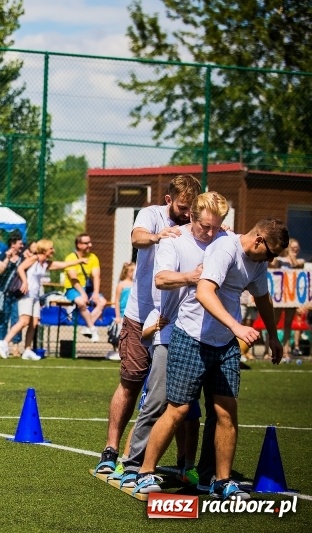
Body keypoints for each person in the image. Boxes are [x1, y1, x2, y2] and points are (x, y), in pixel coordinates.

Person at [135, 217, 289, 500]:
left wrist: (274, 336)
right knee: (178, 410)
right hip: (191, 337)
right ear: (258, 240)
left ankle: (222, 480)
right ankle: (145, 473)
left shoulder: (258, 262)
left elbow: (263, 298)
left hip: (224, 343)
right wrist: (236, 327)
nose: (271, 259)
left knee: (226, 411)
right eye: (271, 253)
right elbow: (205, 292)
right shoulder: (225, 249)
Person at [115, 192, 230, 491]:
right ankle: (133, 465)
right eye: (205, 226)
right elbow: (161, 279)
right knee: (157, 402)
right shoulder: (174, 240)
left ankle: (198, 473)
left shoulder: (223, 240)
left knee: (201, 413)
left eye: (216, 227)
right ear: (192, 217)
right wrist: (192, 276)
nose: (210, 232)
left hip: (208, 338)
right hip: (169, 333)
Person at [94, 174, 201, 475]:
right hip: (140, 316)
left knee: (179, 394)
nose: (186, 212)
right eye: (182, 206)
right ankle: (111, 450)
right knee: (130, 383)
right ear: (169, 200)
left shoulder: (195, 224)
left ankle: (184, 464)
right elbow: (137, 237)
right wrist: (159, 236)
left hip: (175, 322)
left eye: (191, 207)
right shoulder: (152, 214)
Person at [0, 239, 86, 360]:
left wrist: (79, 261)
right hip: (26, 295)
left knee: (34, 323)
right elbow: (20, 268)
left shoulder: (46, 263)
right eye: (51, 248)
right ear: (44, 249)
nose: (53, 250)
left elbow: (63, 265)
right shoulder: (35, 259)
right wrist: (24, 282)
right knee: (24, 321)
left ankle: (27, 350)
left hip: (35, 296)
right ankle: (4, 342)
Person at [63, 233, 107, 343]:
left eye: (90, 242)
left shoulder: (93, 257)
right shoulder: (70, 258)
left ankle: (87, 327)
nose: (90, 245)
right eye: (87, 243)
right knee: (81, 302)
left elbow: (96, 276)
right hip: (73, 288)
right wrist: (83, 293)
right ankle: (93, 329)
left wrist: (96, 293)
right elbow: (73, 279)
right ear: (79, 245)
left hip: (89, 288)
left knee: (102, 302)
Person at [270, 238, 305, 361]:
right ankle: (269, 350)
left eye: (297, 247)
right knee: (274, 322)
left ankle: (286, 350)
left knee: (288, 324)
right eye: (293, 247)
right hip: (279, 296)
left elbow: (296, 264)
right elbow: (272, 265)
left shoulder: (301, 260)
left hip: (291, 297)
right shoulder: (280, 261)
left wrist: (291, 255)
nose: (296, 249)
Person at [0, 235, 24, 354]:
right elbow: (0, 270)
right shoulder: (2, 256)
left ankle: (15, 347)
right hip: (3, 293)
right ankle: (0, 346)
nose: (22, 246)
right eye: (19, 243)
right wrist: (7, 258)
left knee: (16, 320)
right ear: (13, 244)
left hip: (16, 294)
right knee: (2, 321)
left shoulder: (22, 258)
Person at [107, 262, 135, 361]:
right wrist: (118, 315)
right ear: (127, 272)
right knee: (120, 335)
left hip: (133, 313)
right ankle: (119, 352)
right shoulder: (121, 284)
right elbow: (117, 301)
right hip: (123, 313)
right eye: (132, 271)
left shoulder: (136, 284)